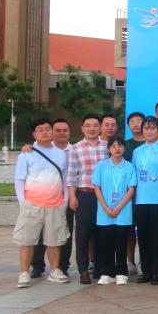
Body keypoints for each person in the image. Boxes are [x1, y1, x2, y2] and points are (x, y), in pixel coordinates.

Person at [13, 119, 71, 288]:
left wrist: (65, 200)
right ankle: (24, 273)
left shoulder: (61, 154)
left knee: (54, 241)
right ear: (34, 134)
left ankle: (55, 271)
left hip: (55, 204)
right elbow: (19, 180)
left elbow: (64, 179)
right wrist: (23, 202)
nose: (45, 132)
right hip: (32, 204)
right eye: (40, 130)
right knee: (27, 240)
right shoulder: (26, 154)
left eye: (48, 129)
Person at [30, 118, 74, 279]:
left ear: (70, 132)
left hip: (65, 198)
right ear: (52, 132)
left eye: (65, 130)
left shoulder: (75, 150)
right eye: (57, 130)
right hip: (42, 199)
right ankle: (37, 265)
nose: (61, 133)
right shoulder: (39, 149)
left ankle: (62, 266)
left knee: (64, 233)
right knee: (40, 234)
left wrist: (68, 199)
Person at [66, 113, 108, 284]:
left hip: (103, 196)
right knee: (83, 235)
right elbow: (71, 175)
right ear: (82, 128)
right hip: (84, 195)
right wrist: (72, 197)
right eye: (88, 126)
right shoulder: (76, 148)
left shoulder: (106, 146)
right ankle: (83, 270)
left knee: (101, 233)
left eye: (95, 125)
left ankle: (99, 267)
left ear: (100, 128)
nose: (92, 129)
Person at [132, 117, 158, 285]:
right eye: (146, 128)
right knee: (143, 237)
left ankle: (157, 271)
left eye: (152, 128)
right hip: (141, 200)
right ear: (142, 130)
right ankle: (146, 271)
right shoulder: (137, 151)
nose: (149, 131)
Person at [92, 135, 137, 286]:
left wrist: (118, 207)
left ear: (124, 148)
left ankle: (121, 273)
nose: (117, 149)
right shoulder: (101, 166)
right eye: (113, 146)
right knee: (106, 243)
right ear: (108, 149)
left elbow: (131, 189)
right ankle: (107, 273)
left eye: (120, 145)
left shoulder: (129, 167)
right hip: (104, 212)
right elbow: (96, 188)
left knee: (121, 243)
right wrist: (105, 207)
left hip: (123, 211)